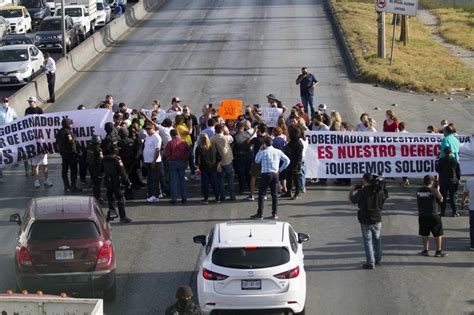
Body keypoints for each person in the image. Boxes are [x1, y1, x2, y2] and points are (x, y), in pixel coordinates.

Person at [348, 173, 386, 269]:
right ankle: (377, 257)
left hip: (365, 219)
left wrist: (351, 190)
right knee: (377, 239)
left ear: (365, 180)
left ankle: (370, 262)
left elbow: (352, 200)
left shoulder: (362, 192)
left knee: (367, 241)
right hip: (377, 218)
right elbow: (382, 202)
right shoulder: (380, 191)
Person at [250, 136, 290, 220]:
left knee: (261, 194)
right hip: (275, 174)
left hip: (265, 174)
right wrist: (280, 169)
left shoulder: (263, 152)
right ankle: (274, 213)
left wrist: (260, 150)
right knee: (274, 195)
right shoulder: (278, 151)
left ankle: (260, 213)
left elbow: (256, 160)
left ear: (264, 144)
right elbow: (287, 160)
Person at [416, 175, 447, 257]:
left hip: (422, 215)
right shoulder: (433, 191)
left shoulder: (418, 191)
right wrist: (438, 190)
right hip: (434, 215)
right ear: (431, 182)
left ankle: (425, 250)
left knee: (424, 234)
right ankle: (438, 252)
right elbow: (441, 200)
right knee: (438, 234)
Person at [102, 145, 132, 224]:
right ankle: (123, 217)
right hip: (117, 181)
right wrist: (128, 182)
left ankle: (112, 214)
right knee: (120, 199)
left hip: (108, 180)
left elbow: (101, 170)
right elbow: (122, 172)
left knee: (110, 198)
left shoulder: (104, 159)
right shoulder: (117, 159)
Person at [55, 118, 81, 193]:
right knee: (73, 171)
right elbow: (72, 145)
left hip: (64, 154)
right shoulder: (69, 133)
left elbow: (56, 143)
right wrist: (77, 153)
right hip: (71, 155)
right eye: (71, 124)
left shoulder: (59, 132)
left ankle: (66, 185)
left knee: (64, 170)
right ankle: (73, 186)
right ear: (68, 124)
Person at [164, 129, 189, 204]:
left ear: (171, 135)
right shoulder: (183, 142)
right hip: (181, 161)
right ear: (177, 134)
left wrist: (169, 158)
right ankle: (184, 197)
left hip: (172, 162)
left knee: (173, 181)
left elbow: (166, 154)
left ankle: (174, 198)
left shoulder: (169, 143)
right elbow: (187, 152)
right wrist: (186, 161)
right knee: (182, 180)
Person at [211, 124, 235, 202]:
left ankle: (222, 196)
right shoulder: (227, 137)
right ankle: (232, 195)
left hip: (219, 161)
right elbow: (232, 139)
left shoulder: (212, 139)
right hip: (228, 159)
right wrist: (226, 132)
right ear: (222, 130)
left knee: (220, 179)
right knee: (230, 178)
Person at [195, 133, 221, 204]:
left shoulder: (199, 147)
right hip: (213, 167)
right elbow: (219, 157)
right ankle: (217, 197)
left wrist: (197, 167)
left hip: (204, 168)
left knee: (205, 184)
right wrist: (218, 165)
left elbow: (198, 159)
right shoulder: (213, 145)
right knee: (214, 183)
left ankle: (206, 198)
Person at [436, 147, 461, 217]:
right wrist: (458, 179)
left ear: (444, 152)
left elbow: (437, 169)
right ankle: (454, 212)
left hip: (443, 180)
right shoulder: (455, 160)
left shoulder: (441, 160)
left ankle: (443, 212)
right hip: (453, 180)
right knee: (452, 197)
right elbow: (458, 171)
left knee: (443, 196)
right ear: (451, 152)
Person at [142, 124, 162, 203]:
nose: (147, 130)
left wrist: (154, 161)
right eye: (146, 129)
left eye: (149, 128)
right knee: (150, 178)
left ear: (153, 128)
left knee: (154, 179)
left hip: (154, 162)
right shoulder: (147, 137)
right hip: (148, 161)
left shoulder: (156, 137)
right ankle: (151, 194)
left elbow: (157, 150)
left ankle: (155, 195)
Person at [282, 128, 303, 200]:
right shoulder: (291, 142)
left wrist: (297, 165)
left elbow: (299, 156)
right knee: (288, 178)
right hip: (290, 163)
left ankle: (297, 193)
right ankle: (289, 191)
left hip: (296, 164)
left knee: (296, 179)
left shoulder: (299, 144)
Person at [0, 96, 17, 183]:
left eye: (6, 101)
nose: (5, 103)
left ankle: (13, 160)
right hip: (1, 133)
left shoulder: (11, 110)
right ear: (2, 102)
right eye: (4, 101)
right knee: (1, 150)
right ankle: (1, 174)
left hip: (10, 132)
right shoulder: (0, 110)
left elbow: (15, 118)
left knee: (11, 146)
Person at [86, 135, 104, 203]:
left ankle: (95, 195)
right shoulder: (99, 150)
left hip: (91, 167)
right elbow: (100, 159)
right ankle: (98, 197)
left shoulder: (89, 148)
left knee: (94, 182)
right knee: (97, 184)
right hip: (97, 168)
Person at [461, 177, 474, 250]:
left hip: (472, 207)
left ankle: (472, 245)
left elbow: (465, 193)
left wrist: (463, 202)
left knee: (472, 227)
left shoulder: (469, 181)